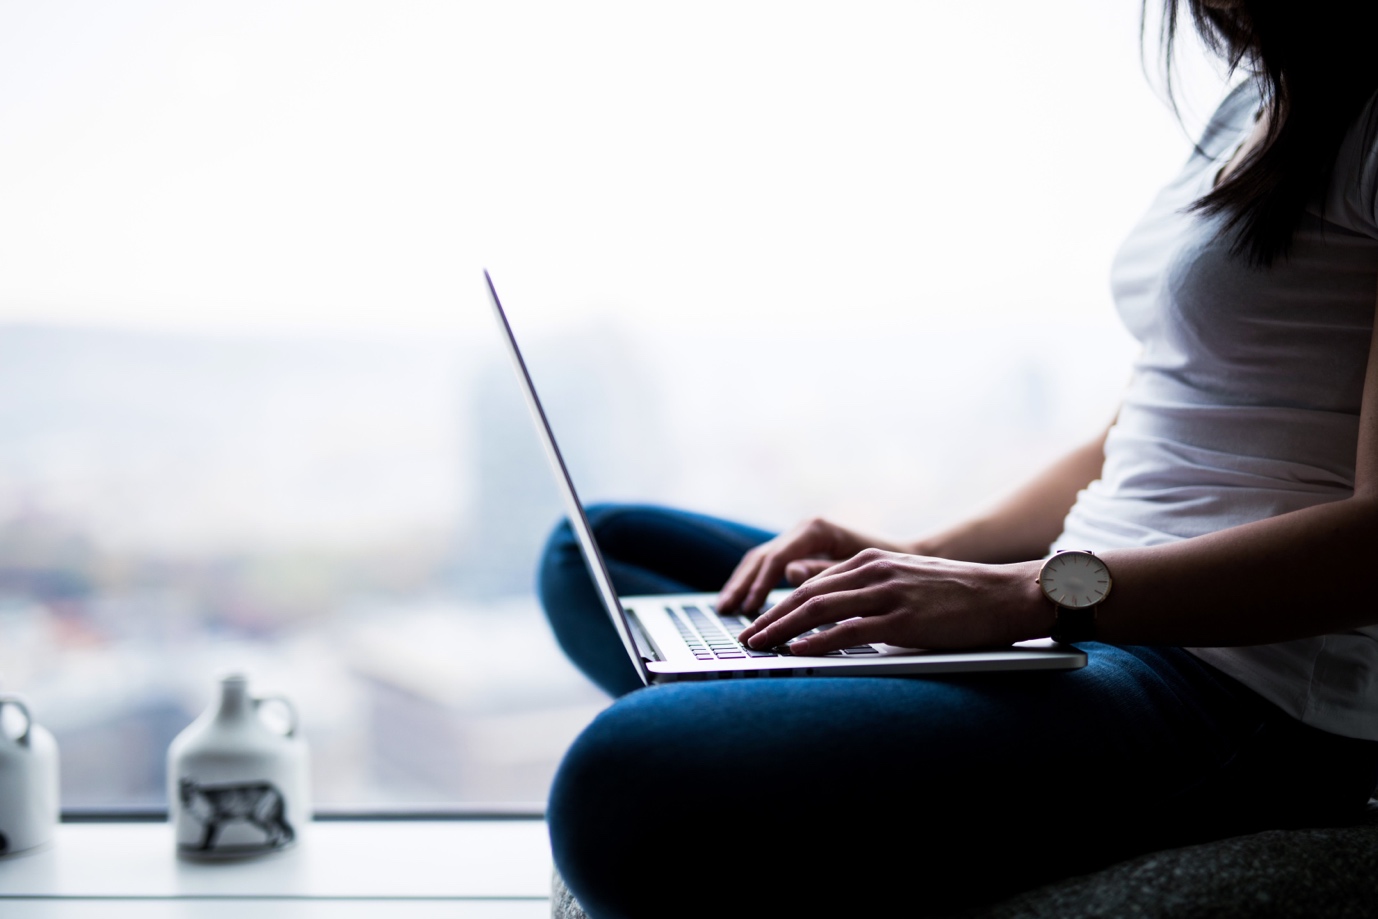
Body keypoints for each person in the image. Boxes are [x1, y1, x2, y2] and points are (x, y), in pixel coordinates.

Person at [538, 2, 1378, 916]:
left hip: (1228, 683)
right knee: (599, 552)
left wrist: (1030, 595)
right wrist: (932, 557)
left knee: (623, 782)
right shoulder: (1251, 102)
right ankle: (839, 744)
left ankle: (813, 755)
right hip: (1075, 605)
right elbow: (1134, 429)